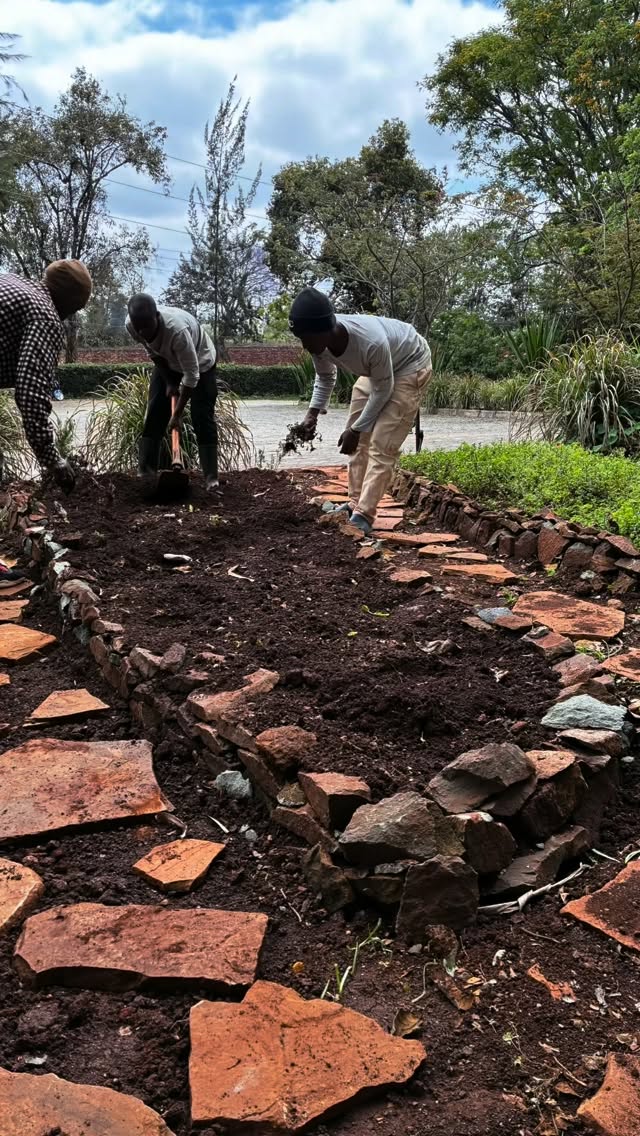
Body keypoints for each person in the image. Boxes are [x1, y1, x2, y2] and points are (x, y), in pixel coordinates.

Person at [289, 288, 432, 533]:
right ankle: (354, 503)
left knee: (382, 444)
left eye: (306, 338)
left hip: (410, 364)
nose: (304, 345)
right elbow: (325, 376)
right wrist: (311, 415)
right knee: (355, 440)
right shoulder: (318, 344)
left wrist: (356, 430)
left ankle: (364, 516)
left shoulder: (369, 341)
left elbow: (383, 391)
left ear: (326, 330)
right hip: (379, 372)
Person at [0, 260, 93, 490]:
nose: (71, 315)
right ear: (69, 302)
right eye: (76, 308)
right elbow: (30, 394)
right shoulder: (44, 316)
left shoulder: (14, 281)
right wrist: (53, 460)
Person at [125, 294, 219, 490]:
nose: (143, 332)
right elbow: (152, 352)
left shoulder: (177, 331)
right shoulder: (132, 325)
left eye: (147, 327)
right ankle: (146, 473)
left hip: (200, 364)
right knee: (155, 411)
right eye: (138, 327)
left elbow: (192, 376)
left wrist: (176, 415)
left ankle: (211, 478)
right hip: (167, 362)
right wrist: (169, 382)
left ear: (157, 316)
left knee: (202, 416)